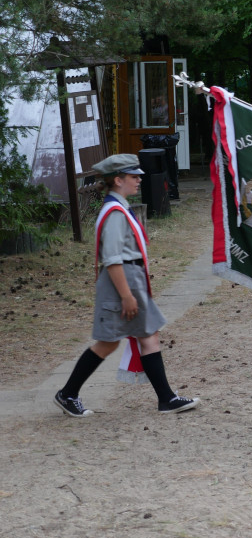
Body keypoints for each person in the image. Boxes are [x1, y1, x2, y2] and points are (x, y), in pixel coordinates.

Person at [53, 155, 199, 417]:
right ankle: (67, 394)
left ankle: (166, 398)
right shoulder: (115, 213)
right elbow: (112, 260)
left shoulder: (119, 208)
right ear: (118, 180)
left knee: (149, 335)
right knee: (108, 342)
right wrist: (126, 296)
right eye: (134, 176)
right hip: (120, 283)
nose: (139, 180)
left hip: (131, 279)